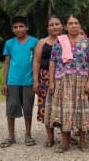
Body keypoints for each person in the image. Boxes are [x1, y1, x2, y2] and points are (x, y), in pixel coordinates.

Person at [49, 14, 89, 153]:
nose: (74, 25)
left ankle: (82, 142)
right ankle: (65, 143)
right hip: (64, 81)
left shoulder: (86, 42)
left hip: (81, 81)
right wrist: (51, 82)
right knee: (65, 111)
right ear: (66, 26)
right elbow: (53, 61)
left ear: (79, 25)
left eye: (76, 23)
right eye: (71, 23)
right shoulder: (59, 41)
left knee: (81, 111)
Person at [0, 16, 38, 148]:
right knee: (11, 108)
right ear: (12, 29)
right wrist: (4, 82)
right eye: (15, 27)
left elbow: (37, 62)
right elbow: (6, 64)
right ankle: (11, 136)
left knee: (28, 109)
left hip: (29, 81)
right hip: (12, 81)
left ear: (27, 27)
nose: (18, 29)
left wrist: (36, 81)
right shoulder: (9, 43)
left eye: (21, 26)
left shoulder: (35, 42)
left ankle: (28, 135)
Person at [32, 16, 63, 147]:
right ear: (48, 28)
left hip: (62, 78)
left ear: (62, 26)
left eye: (57, 24)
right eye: (51, 25)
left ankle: (66, 136)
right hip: (44, 78)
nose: (54, 26)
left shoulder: (66, 40)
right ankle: (50, 137)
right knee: (46, 107)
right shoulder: (42, 42)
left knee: (63, 107)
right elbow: (37, 61)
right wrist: (35, 81)